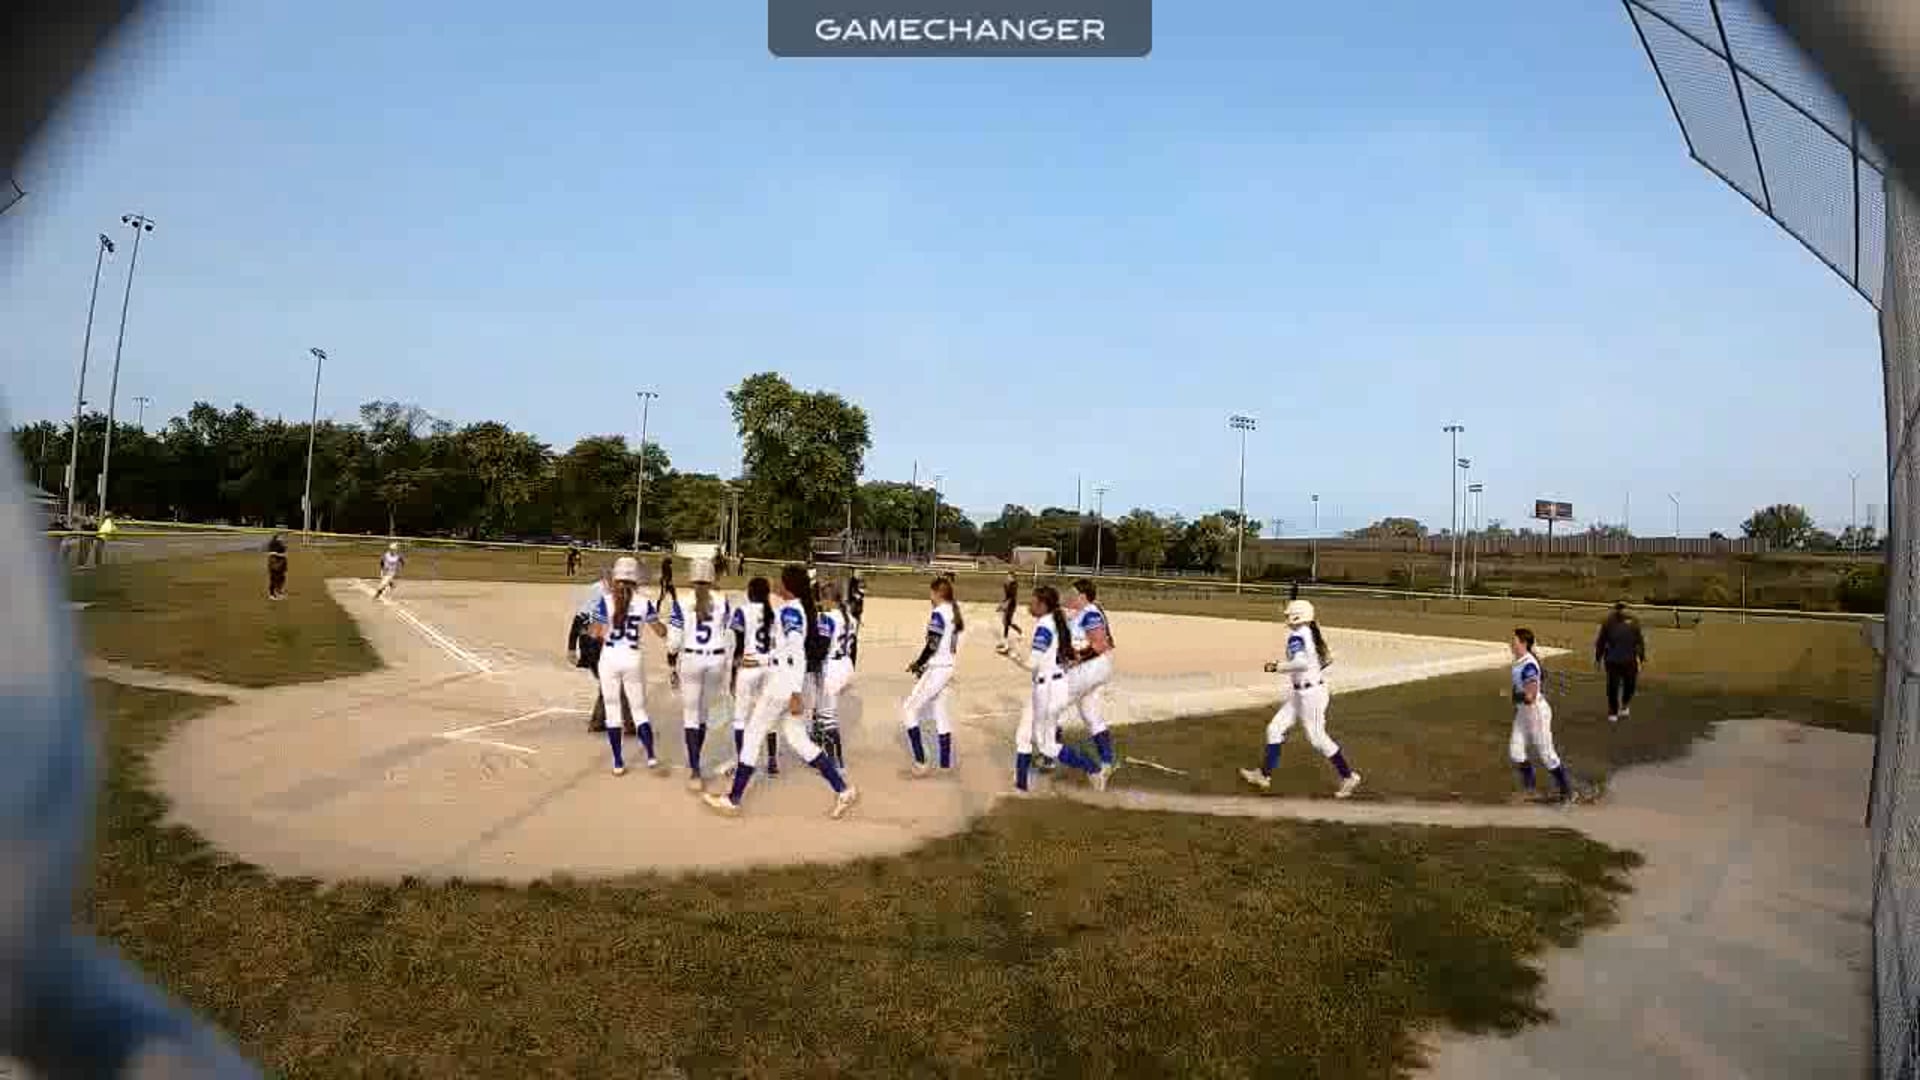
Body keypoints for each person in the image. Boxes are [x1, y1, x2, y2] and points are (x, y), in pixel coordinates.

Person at [702, 564, 858, 818]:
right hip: (791, 681)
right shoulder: (797, 609)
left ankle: (733, 799)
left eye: (780, 580)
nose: (776, 583)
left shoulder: (791, 611)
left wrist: (795, 692)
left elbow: (795, 652)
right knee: (799, 740)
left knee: (753, 735)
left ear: (788, 586)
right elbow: (785, 652)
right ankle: (843, 789)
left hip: (784, 684)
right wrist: (762, 661)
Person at [1240, 599, 1362, 798]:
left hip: (1309, 696)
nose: (1287, 618)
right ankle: (1263, 775)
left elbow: (1301, 663)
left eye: (1289, 615)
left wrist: (1276, 666)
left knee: (1317, 738)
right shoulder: (1311, 632)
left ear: (1297, 616)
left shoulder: (1297, 636)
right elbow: (1324, 660)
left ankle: (1348, 776)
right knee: (1275, 728)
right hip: (1304, 693)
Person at [1006, 585, 1108, 792]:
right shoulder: (1056, 621)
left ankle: (1093, 768)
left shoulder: (1044, 627)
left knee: (1047, 745)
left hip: (1048, 690)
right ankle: (1021, 785)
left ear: (1043, 605)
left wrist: (1011, 653)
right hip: (1052, 686)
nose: (1029, 605)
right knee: (1024, 735)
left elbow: (1032, 664)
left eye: (1033, 602)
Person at [592, 556, 668, 775]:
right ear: (636, 579)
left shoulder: (606, 600)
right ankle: (651, 756)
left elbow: (596, 632)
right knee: (639, 710)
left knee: (613, 710)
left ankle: (618, 762)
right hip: (633, 657)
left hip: (610, 657)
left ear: (616, 577)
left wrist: (597, 627)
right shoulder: (644, 602)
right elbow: (660, 631)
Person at [671, 558, 732, 791]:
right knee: (704, 714)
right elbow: (728, 633)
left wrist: (671, 663)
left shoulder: (681, 601)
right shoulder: (723, 600)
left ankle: (695, 769)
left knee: (690, 714)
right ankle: (697, 763)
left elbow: (673, 641)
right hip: (715, 659)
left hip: (691, 658)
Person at [902, 576, 963, 776]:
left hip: (938, 668)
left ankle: (921, 761)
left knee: (909, 709)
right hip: (947, 667)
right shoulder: (954, 612)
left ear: (938, 593)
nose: (930, 597)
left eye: (931, 593)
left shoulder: (939, 613)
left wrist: (918, 663)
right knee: (940, 711)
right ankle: (945, 763)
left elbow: (932, 645)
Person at [1057, 578, 1119, 772]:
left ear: (1083, 596)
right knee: (1090, 713)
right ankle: (1107, 762)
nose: (1070, 596)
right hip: (1094, 670)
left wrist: (1078, 658)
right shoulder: (1083, 612)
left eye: (1073, 593)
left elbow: (1101, 644)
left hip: (1089, 669)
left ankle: (1051, 758)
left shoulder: (1090, 613)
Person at [1509, 627, 1576, 804]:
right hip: (1523, 712)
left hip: (1536, 712)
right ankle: (1530, 789)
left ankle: (1567, 791)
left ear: (1523, 643)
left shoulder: (1529, 665)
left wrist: (1514, 696)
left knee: (1546, 754)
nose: (1511, 644)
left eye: (1514, 641)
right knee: (1516, 751)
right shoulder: (1519, 661)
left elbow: (1530, 697)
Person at [725, 576, 780, 777]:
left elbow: (739, 645)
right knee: (769, 716)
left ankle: (743, 763)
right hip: (769, 667)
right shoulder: (774, 614)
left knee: (740, 718)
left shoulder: (743, 611)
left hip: (749, 666)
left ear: (750, 593)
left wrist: (733, 673)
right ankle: (772, 762)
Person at [810, 581, 854, 768]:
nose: (821, 603)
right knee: (821, 712)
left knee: (827, 715)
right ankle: (822, 752)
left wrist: (812, 665)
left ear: (828, 599)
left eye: (822, 599)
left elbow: (822, 647)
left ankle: (835, 762)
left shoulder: (827, 618)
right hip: (846, 664)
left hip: (832, 667)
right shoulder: (850, 617)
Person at [570, 568, 620, 733]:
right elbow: (580, 617)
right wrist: (571, 647)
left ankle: (603, 718)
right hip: (592, 644)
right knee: (609, 680)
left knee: (610, 680)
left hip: (603, 643)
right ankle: (598, 721)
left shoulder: (615, 593)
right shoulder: (597, 591)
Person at [1594, 601, 1647, 723]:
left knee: (1630, 685)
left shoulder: (1633, 622)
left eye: (1623, 608)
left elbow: (1639, 640)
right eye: (1619, 609)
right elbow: (1601, 641)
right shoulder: (1608, 623)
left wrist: (1641, 656)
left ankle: (1625, 704)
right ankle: (1613, 711)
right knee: (1613, 686)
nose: (1621, 611)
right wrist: (1598, 658)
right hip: (1612, 660)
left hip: (1630, 660)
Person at [994, 570, 1022, 655]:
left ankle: (1006, 645)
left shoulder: (1013, 585)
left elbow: (1011, 597)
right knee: (1007, 622)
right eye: (1008, 576)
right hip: (1008, 604)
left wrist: (1004, 606)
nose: (1008, 578)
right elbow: (1006, 596)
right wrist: (1002, 604)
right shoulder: (1008, 584)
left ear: (1013, 577)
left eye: (1009, 576)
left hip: (1011, 604)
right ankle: (1019, 632)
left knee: (1006, 622)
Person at [845, 572, 867, 668]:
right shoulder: (854, 595)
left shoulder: (859, 596)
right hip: (853, 613)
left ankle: (851, 662)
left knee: (853, 639)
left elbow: (858, 600)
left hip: (855, 614)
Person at [265, 534, 288, 600]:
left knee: (281, 579)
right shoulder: (274, 544)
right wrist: (280, 555)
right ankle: (272, 594)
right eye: (280, 537)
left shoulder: (280, 544)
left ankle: (278, 592)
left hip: (280, 564)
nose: (282, 538)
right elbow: (272, 554)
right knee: (274, 579)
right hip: (276, 564)